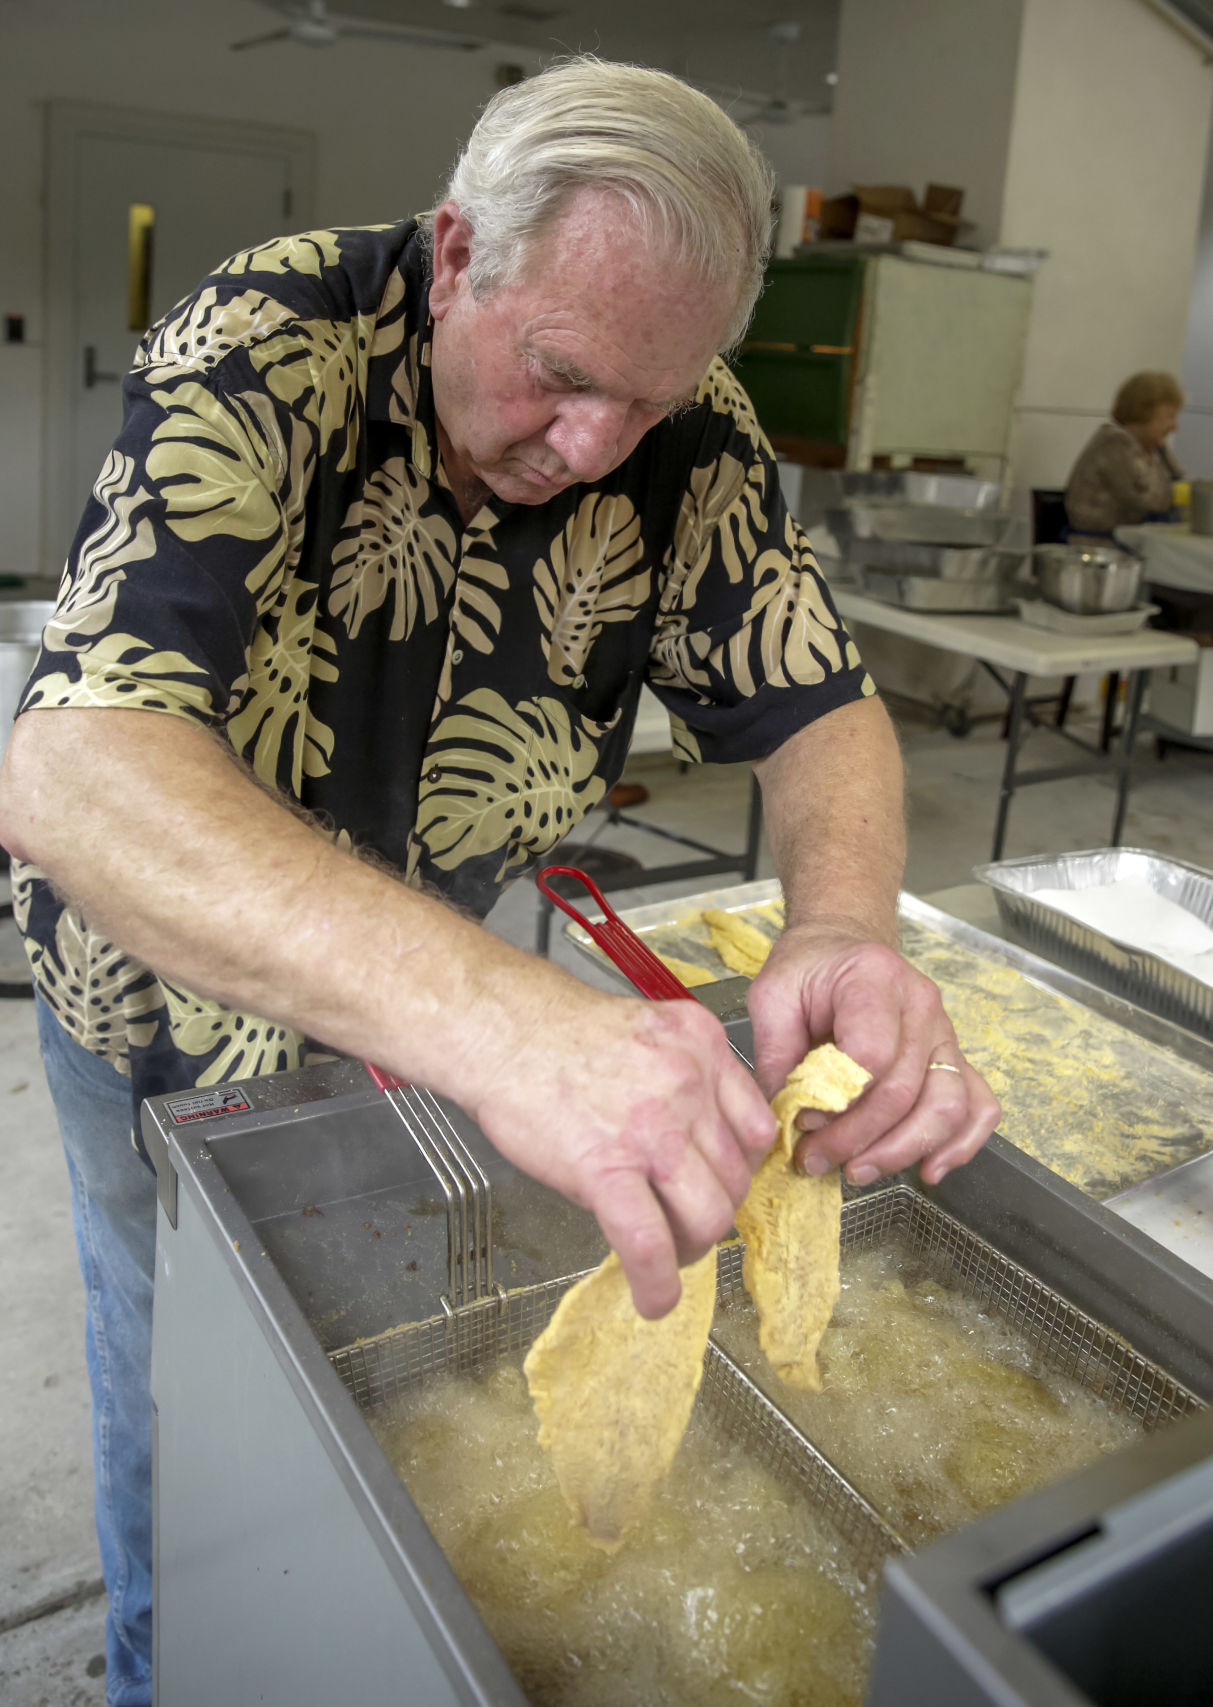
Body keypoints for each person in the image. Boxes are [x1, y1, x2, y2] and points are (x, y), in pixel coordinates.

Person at [0, 57, 999, 1707]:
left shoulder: (675, 424)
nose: (596, 443)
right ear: (458, 256)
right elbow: (69, 772)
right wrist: (518, 1031)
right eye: (558, 374)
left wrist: (839, 923)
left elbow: (819, 707)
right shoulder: (268, 346)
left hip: (429, 1000)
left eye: (651, 399)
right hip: (171, 1019)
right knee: (176, 1393)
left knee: (368, 1403)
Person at [1065, 370, 1185, 541]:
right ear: (1145, 410)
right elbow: (1149, 500)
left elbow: (1179, 485)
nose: (1174, 427)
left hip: (1135, 545)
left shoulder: (1155, 448)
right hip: (1100, 550)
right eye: (1169, 416)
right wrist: (1186, 497)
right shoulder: (1114, 443)